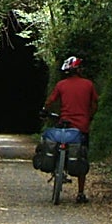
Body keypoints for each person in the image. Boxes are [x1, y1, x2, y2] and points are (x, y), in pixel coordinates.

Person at [43, 55, 99, 203]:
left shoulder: (61, 85)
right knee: (82, 156)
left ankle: (57, 167)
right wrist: (89, 116)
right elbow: (94, 104)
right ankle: (80, 193)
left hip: (64, 124)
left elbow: (50, 101)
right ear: (78, 69)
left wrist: (45, 110)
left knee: (57, 142)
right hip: (81, 127)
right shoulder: (88, 85)